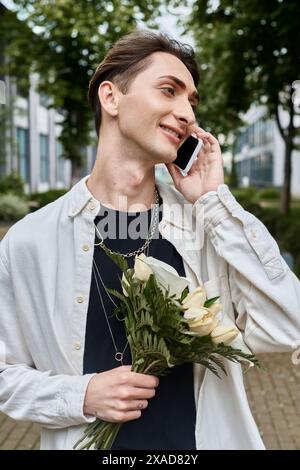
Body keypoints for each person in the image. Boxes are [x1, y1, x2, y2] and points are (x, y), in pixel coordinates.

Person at [0, 30, 300, 451]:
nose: (187, 114)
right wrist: (80, 395)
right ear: (111, 98)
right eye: (169, 91)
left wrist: (214, 204)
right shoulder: (30, 241)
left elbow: (289, 324)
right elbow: (5, 374)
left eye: (192, 102)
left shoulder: (206, 228)